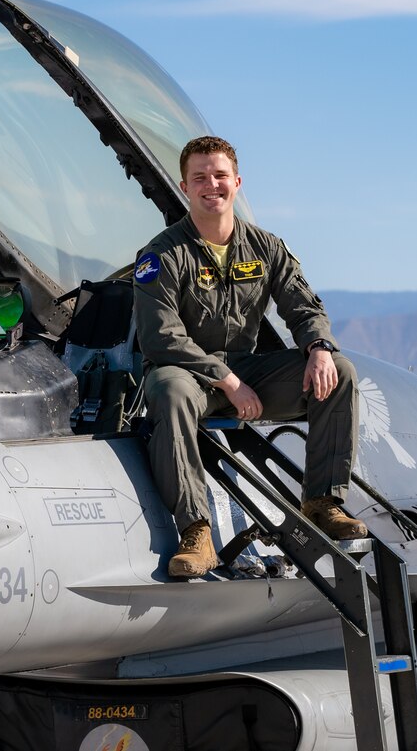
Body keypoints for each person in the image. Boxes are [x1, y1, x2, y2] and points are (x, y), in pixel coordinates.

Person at [133, 136, 367, 578]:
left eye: (220, 176)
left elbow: (303, 308)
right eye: (199, 177)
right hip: (190, 377)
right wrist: (226, 379)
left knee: (341, 371)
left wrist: (318, 348)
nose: (211, 185)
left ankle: (321, 503)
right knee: (168, 388)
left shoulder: (266, 248)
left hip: (247, 372)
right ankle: (196, 532)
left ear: (237, 183)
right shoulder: (162, 256)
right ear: (184, 186)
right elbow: (160, 338)